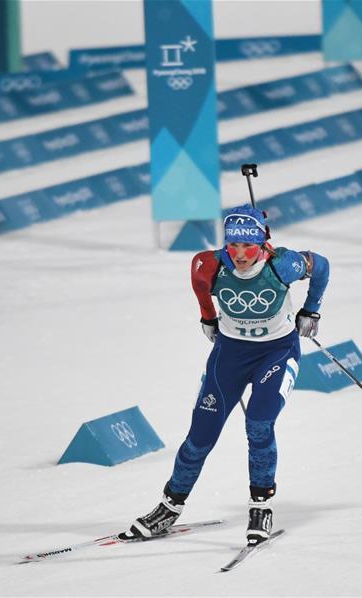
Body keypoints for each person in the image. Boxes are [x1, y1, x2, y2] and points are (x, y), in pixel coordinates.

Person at [126, 204, 330, 545]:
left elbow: (321, 265)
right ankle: (169, 507)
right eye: (233, 245)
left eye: (247, 245)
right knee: (200, 436)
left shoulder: (284, 264)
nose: (240, 254)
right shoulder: (209, 264)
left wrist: (312, 310)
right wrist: (207, 317)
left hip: (276, 353)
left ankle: (260, 507)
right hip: (230, 356)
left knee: (259, 423)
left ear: (261, 243)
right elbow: (199, 284)